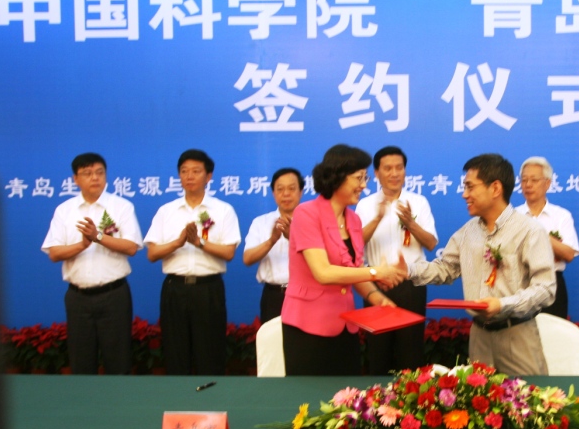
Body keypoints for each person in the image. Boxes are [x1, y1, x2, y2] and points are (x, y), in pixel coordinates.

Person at [406, 153, 556, 376]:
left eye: (470, 187)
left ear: (495, 188)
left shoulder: (529, 230)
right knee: (480, 397)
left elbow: (545, 289)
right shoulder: (468, 232)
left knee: (528, 396)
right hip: (479, 337)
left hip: (517, 334)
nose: (464, 194)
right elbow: (445, 268)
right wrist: (407, 270)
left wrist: (502, 304)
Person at [281, 144, 406, 376]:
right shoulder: (306, 213)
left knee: (346, 394)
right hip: (307, 326)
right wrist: (376, 272)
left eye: (365, 178)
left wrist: (379, 299)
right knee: (308, 395)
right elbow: (323, 272)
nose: (364, 185)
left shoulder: (354, 220)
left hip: (346, 326)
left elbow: (354, 270)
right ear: (337, 177)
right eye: (358, 178)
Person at [42, 152, 142, 374]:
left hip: (114, 295)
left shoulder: (121, 207)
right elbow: (54, 253)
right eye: (87, 173)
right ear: (75, 179)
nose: (95, 177)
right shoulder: (64, 210)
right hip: (78, 298)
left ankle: (119, 397)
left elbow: (131, 247)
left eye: (99, 172)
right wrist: (82, 245)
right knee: (81, 363)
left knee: (118, 361)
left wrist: (98, 237)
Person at [144, 149, 241, 376]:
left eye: (196, 171)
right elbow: (152, 254)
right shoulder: (166, 211)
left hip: (208, 289)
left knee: (210, 353)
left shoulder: (223, 210)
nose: (189, 176)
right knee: (176, 353)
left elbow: (229, 252)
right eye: (184, 171)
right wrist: (177, 243)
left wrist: (199, 243)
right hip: (175, 288)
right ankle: (178, 396)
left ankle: (212, 397)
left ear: (209, 176)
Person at [356, 146, 438, 374]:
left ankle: (410, 395)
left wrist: (411, 223)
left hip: (411, 284)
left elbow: (431, 243)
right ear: (376, 173)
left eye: (399, 168)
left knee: (411, 353)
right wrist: (377, 218)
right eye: (388, 168)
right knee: (378, 352)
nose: (394, 173)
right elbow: (355, 244)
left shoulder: (418, 202)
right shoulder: (365, 205)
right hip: (376, 285)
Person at [515, 156, 579, 319]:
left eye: (534, 180)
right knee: (519, 332)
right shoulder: (512, 216)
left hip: (552, 282)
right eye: (524, 180)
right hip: (519, 284)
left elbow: (569, 255)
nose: (528, 185)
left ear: (548, 183)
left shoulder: (561, 215)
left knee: (552, 333)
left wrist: (539, 232)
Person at [243, 167, 302, 323]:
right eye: (280, 189)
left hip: (304, 295)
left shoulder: (313, 221)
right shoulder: (261, 222)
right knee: (272, 338)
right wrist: (271, 241)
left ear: (301, 192)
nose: (286, 194)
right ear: (273, 193)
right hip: (273, 296)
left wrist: (292, 237)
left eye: (291, 188)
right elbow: (248, 259)